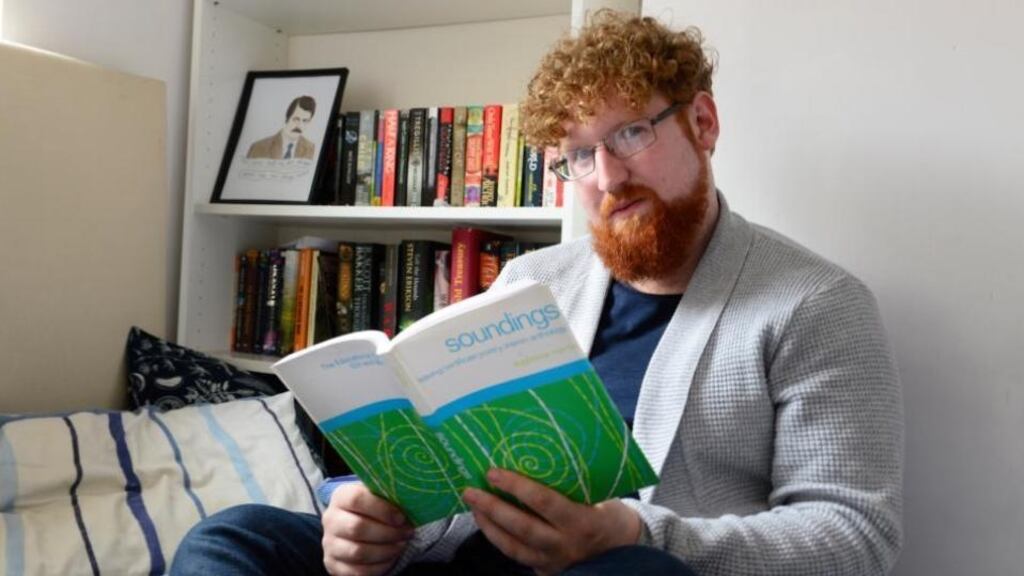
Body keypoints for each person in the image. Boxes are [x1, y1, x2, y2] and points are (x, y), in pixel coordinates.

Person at [172, 10, 903, 576]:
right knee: (234, 535)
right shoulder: (532, 279)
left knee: (637, 573)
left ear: (702, 123)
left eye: (632, 133)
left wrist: (639, 530)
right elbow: (444, 464)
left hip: (619, 569)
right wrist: (367, 519)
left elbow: (854, 539)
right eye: (580, 154)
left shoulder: (815, 305)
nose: (608, 178)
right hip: (457, 559)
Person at [246, 95, 317, 160]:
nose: (300, 125)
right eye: (296, 119)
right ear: (287, 118)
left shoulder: (311, 149)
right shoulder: (258, 148)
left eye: (305, 121)